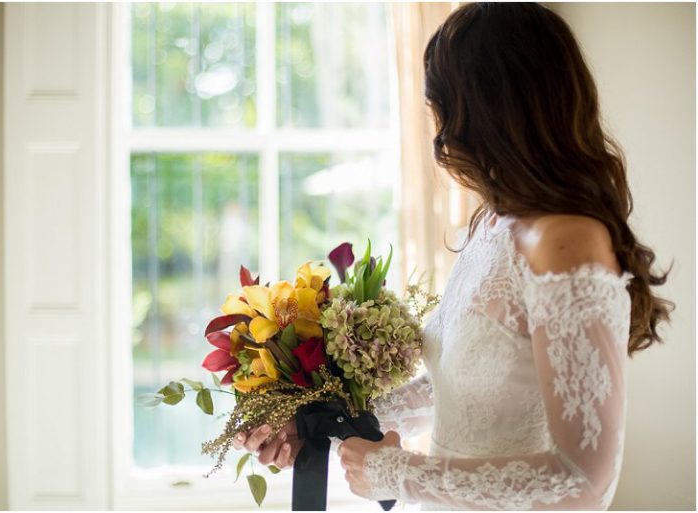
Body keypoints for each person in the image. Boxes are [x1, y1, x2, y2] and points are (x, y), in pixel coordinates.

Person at [233, 2, 674, 509]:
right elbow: (457, 393)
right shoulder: (492, 224)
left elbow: (584, 481)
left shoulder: (567, 240)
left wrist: (396, 473)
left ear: (486, 111)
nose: (439, 133)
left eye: (441, 109)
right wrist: (314, 422)